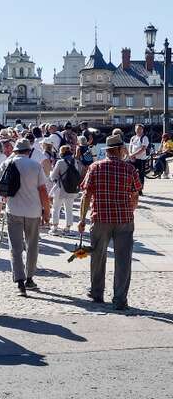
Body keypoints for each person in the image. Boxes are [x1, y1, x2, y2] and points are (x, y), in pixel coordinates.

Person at [78, 134, 141, 310]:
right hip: (124, 219)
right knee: (123, 259)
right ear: (120, 150)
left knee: (98, 256)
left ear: (107, 150)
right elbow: (135, 195)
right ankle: (120, 298)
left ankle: (97, 293)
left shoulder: (95, 167)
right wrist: (130, 210)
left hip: (100, 218)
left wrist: (82, 219)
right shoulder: (129, 169)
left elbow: (86, 195)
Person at [0, 138, 51, 297]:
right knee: (32, 245)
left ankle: (19, 281)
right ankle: (30, 277)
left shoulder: (7, 163)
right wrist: (46, 211)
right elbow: (43, 191)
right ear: (29, 151)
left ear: (15, 150)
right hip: (33, 211)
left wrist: (7, 196)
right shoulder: (35, 165)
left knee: (15, 247)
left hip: (14, 209)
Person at [49, 145, 81, 235]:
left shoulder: (60, 162)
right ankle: (68, 228)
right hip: (71, 188)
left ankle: (55, 227)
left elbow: (53, 176)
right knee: (69, 209)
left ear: (61, 152)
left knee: (56, 208)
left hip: (60, 188)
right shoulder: (75, 161)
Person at [128, 124, 149, 194]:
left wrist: (133, 155)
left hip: (141, 159)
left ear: (142, 130)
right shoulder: (133, 138)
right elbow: (130, 147)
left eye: (140, 129)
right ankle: (132, 187)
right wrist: (130, 155)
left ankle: (140, 190)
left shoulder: (144, 138)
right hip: (133, 159)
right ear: (135, 130)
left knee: (141, 175)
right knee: (130, 173)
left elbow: (143, 149)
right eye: (137, 129)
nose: (138, 130)